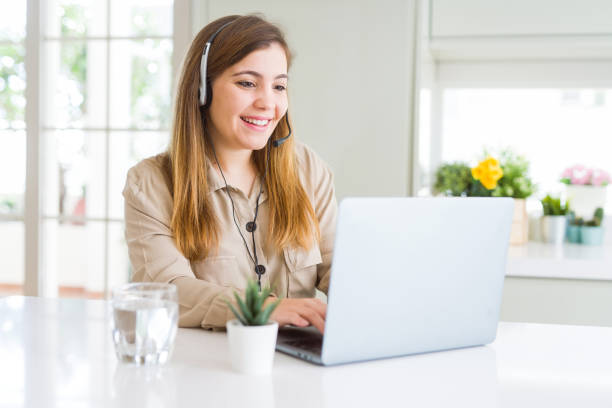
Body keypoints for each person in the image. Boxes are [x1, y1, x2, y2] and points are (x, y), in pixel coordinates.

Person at [123, 15, 337, 334]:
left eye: (279, 86)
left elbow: (340, 270)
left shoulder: (307, 168)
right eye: (247, 83)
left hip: (299, 365)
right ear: (202, 90)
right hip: (205, 367)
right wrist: (264, 308)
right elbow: (166, 288)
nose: (268, 103)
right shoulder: (151, 183)